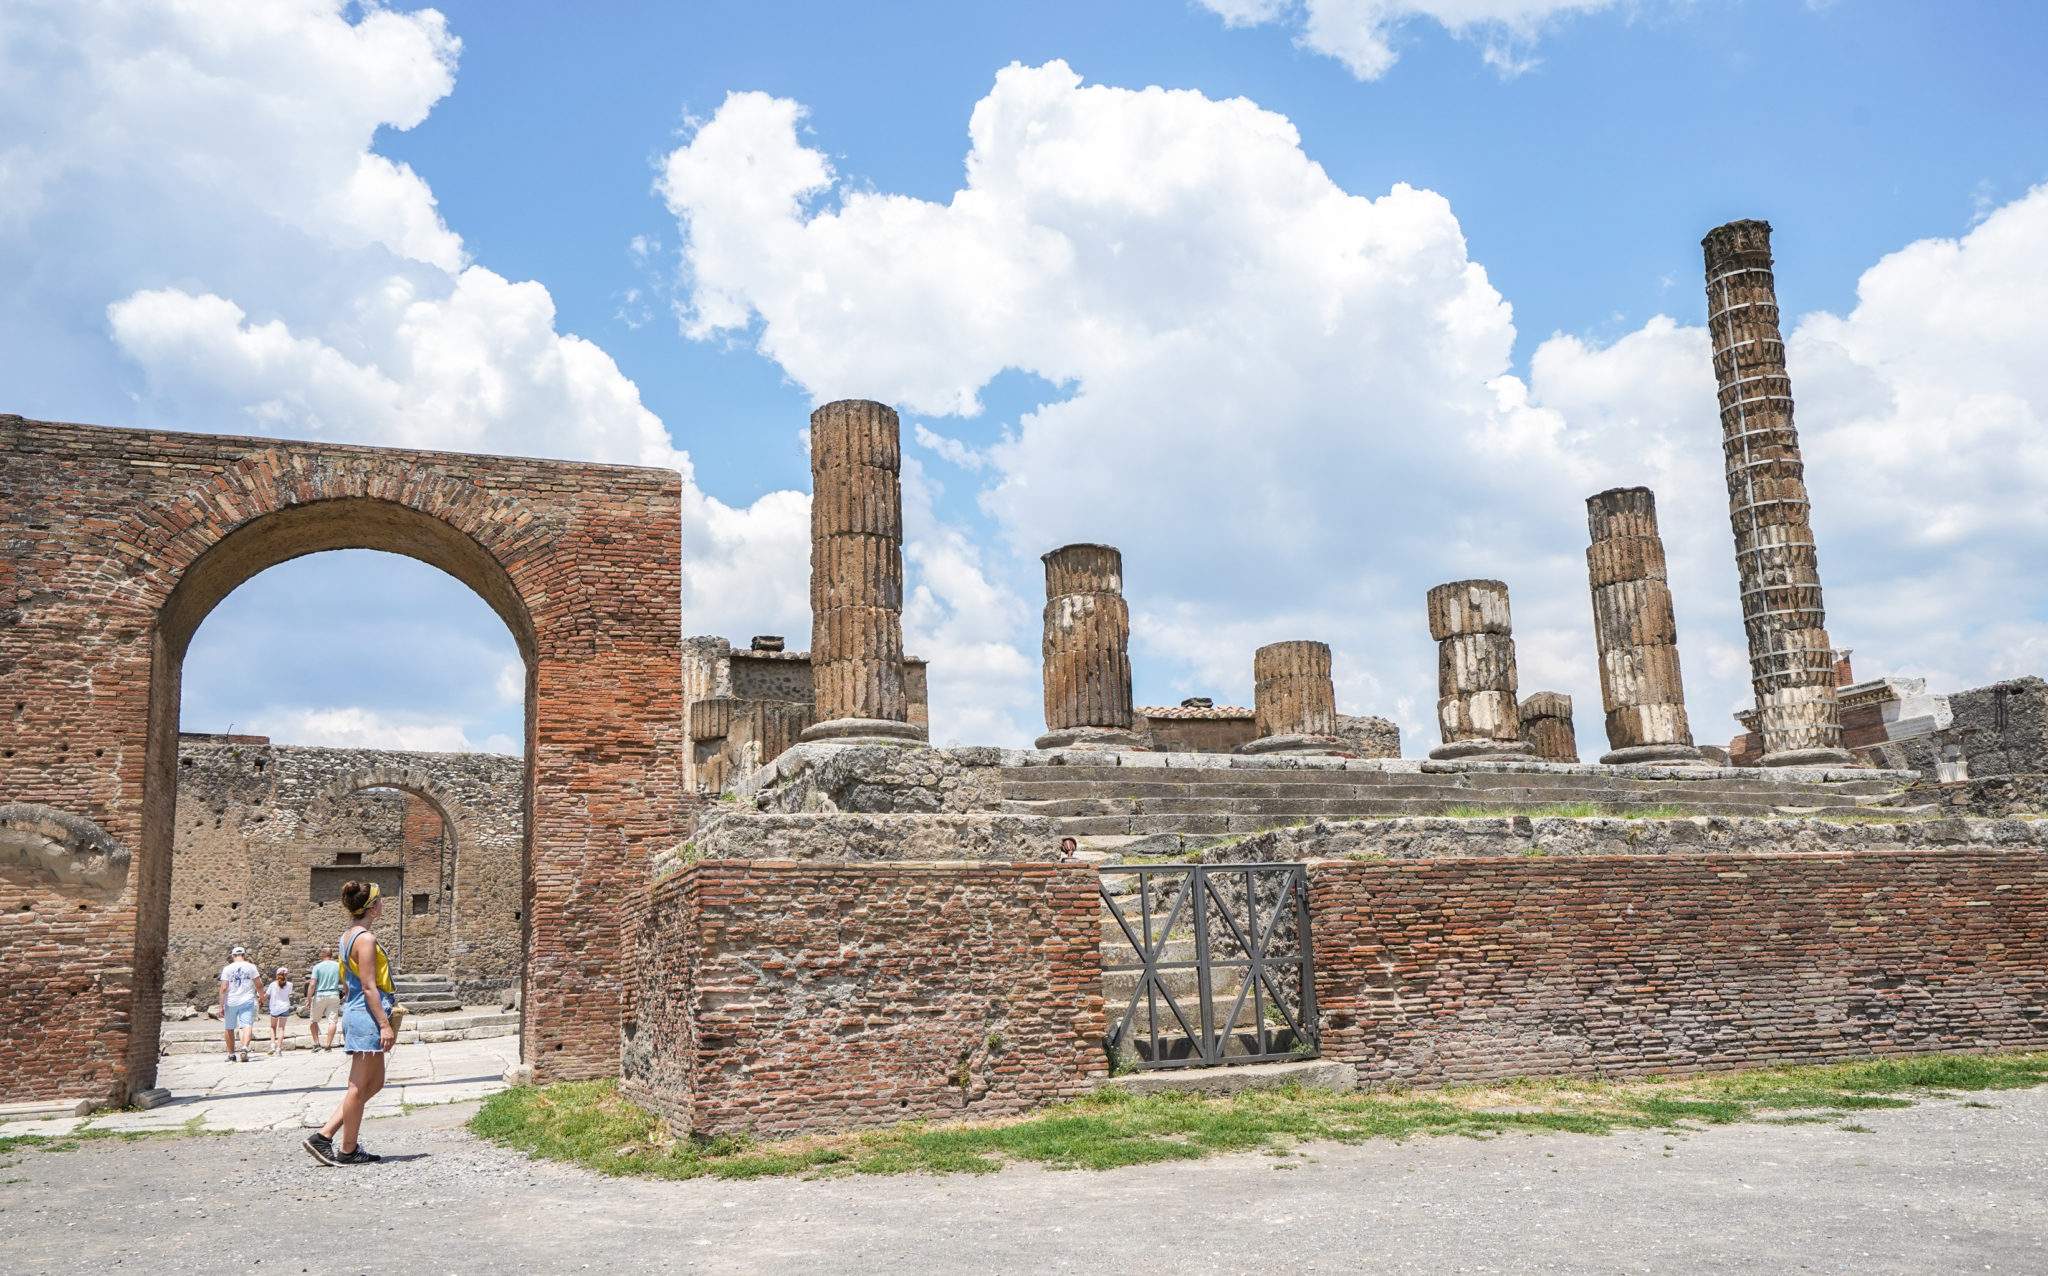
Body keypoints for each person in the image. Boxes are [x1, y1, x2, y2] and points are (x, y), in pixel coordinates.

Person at [304, 881, 395, 1167]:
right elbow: (368, 986)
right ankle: (342, 1145)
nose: (383, 904)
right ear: (372, 907)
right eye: (380, 900)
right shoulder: (365, 939)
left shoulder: (347, 936)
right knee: (358, 1086)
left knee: (375, 1083)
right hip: (367, 1014)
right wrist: (384, 1024)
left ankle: (327, 1137)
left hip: (359, 1010)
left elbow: (348, 982)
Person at [218, 945, 260, 1063]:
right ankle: (244, 1048)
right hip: (247, 1000)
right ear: (244, 955)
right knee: (247, 1025)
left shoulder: (227, 969)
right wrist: (262, 996)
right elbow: (259, 984)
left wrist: (221, 1005)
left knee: (229, 1028)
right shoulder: (251, 967)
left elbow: (224, 988)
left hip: (231, 1001)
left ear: (232, 956)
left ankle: (231, 1054)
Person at [306, 947, 343, 1052]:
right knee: (332, 1021)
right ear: (331, 955)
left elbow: (312, 984)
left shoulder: (317, 967)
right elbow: (344, 980)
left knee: (313, 1020)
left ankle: (316, 1043)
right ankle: (328, 1045)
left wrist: (308, 999)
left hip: (320, 995)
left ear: (322, 955)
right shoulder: (338, 966)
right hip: (334, 994)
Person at [264, 967, 294, 1056]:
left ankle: (272, 1045)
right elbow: (288, 993)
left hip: (274, 1008)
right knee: (281, 1028)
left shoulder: (273, 984)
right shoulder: (290, 985)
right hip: (285, 1007)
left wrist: (260, 998)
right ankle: (279, 1049)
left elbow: (266, 995)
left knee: (273, 1027)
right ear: (287, 975)